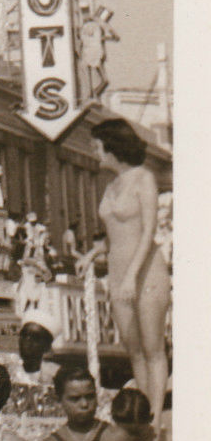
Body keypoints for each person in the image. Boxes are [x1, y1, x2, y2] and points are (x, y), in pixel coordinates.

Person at [92, 118, 170, 424]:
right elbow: (115, 235)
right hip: (118, 272)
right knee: (133, 350)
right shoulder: (111, 185)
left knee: (153, 348)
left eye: (97, 145)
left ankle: (154, 416)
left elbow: (148, 231)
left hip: (146, 272)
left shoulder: (144, 179)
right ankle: (142, 417)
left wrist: (130, 276)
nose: (94, 151)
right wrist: (92, 254)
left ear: (112, 147)